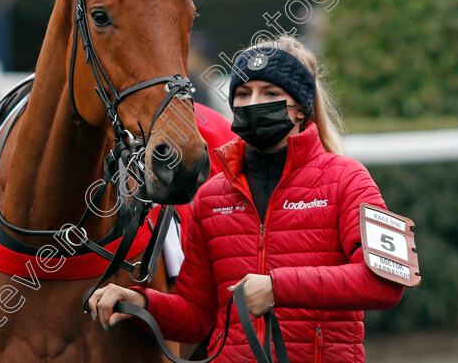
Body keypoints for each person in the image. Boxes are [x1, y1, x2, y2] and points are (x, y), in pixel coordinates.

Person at [88, 35, 405, 362]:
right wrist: (142, 303)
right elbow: (197, 317)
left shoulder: (349, 179)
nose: (254, 102)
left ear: (300, 109)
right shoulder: (210, 197)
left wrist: (278, 288)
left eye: (270, 93)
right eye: (243, 93)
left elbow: (385, 283)